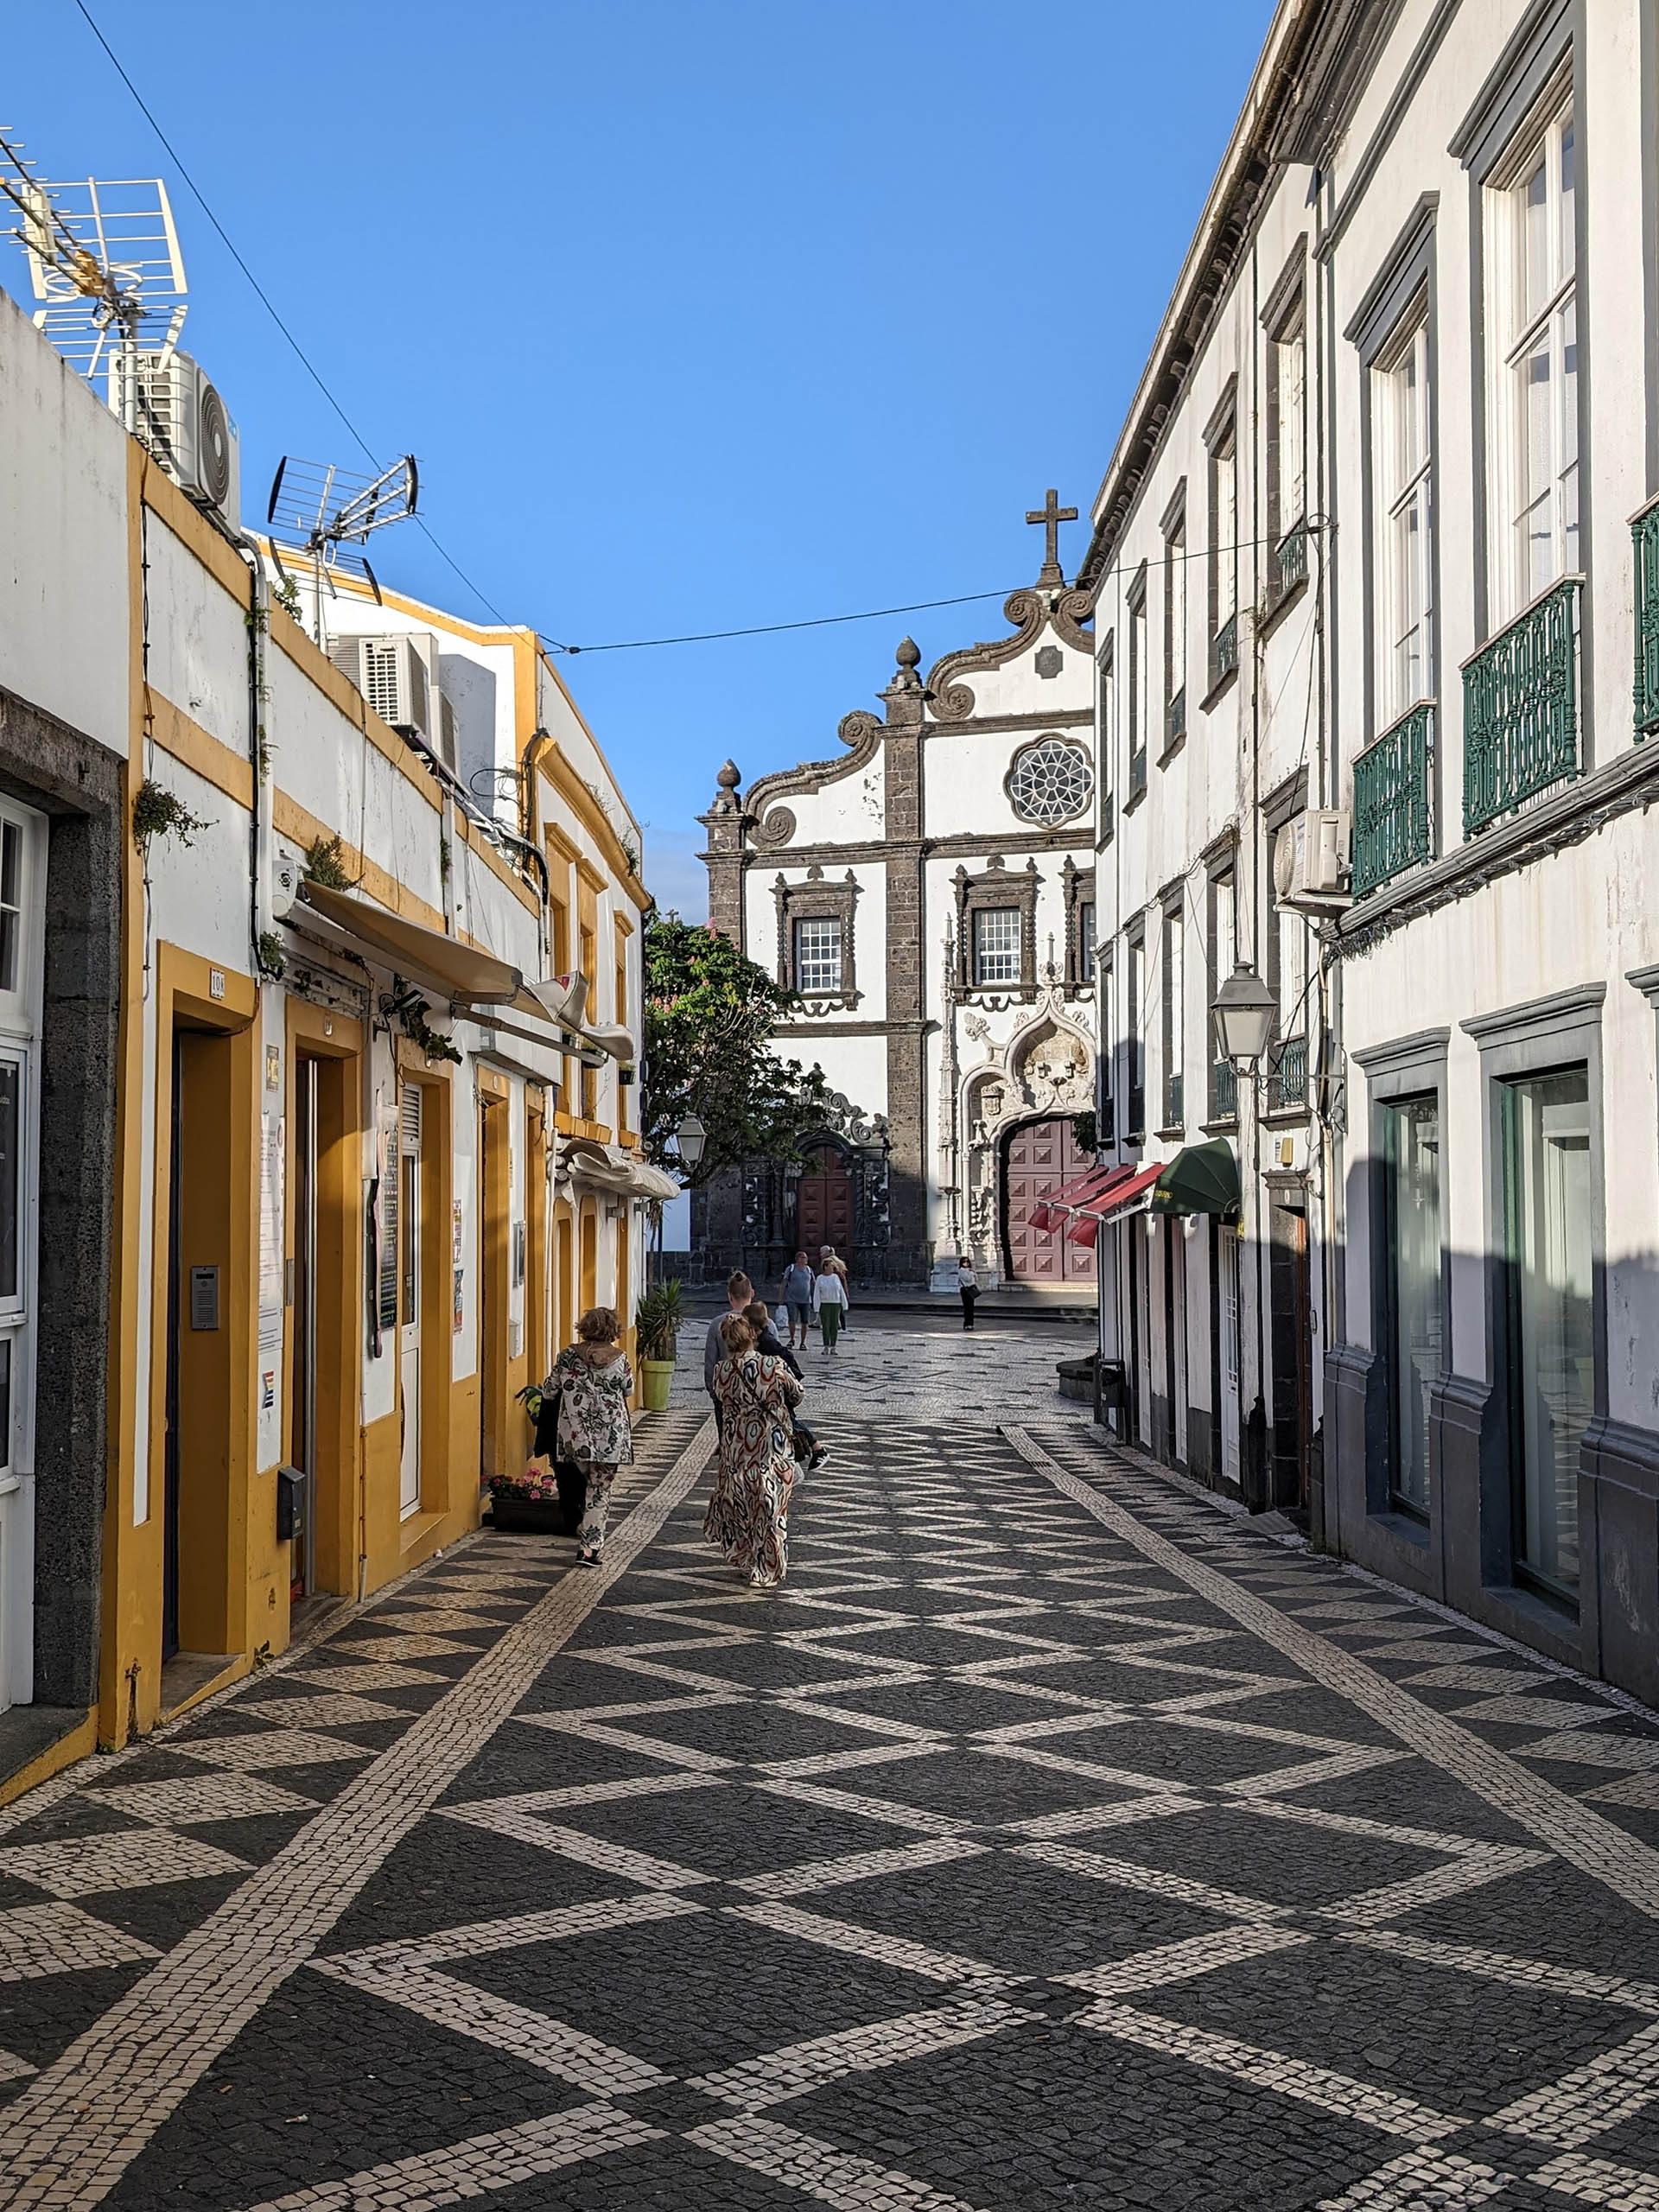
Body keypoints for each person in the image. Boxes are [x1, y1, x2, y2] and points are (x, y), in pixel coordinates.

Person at [706, 1312, 804, 1588]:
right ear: (752, 1335)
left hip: (736, 1450)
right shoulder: (773, 1366)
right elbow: (797, 1394)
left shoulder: (721, 1371)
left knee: (744, 1507)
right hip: (772, 1447)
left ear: (727, 1341)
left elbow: (720, 1397)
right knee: (771, 1509)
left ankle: (748, 1559)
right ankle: (767, 1567)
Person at [550, 1306, 634, 1567]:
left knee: (585, 1483)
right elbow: (629, 1390)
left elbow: (549, 1390)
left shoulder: (566, 1357)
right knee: (599, 1489)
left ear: (584, 1327)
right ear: (613, 1330)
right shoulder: (620, 1360)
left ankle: (582, 1528)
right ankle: (588, 1549)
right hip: (610, 1438)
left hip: (577, 1437)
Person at [745, 1299, 829, 1472]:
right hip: (775, 1387)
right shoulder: (762, 1338)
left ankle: (817, 1449)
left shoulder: (766, 1341)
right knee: (787, 1421)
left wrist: (786, 1377)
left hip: (781, 1387)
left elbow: (786, 1358)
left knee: (787, 1420)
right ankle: (813, 1451)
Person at [704, 1268, 753, 1437]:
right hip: (758, 1394)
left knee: (727, 1440)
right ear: (752, 1293)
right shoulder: (767, 1324)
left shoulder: (717, 1324)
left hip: (725, 1394)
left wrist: (714, 1393)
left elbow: (710, 1364)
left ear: (729, 1296)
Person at [812, 1257, 849, 1356]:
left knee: (834, 1325)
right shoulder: (820, 1278)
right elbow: (817, 1293)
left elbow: (840, 1291)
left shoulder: (835, 1277)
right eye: (831, 1266)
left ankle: (833, 1346)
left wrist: (844, 1304)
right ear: (825, 1267)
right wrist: (817, 1307)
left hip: (835, 1304)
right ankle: (826, 1346)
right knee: (826, 1326)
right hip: (825, 1304)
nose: (832, 1268)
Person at [779, 1251, 815, 1351]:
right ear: (797, 1259)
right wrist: (781, 1297)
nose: (805, 1259)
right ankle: (792, 1339)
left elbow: (813, 1283)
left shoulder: (809, 1270)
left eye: (806, 1258)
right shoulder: (791, 1269)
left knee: (805, 1321)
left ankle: (803, 1342)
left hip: (806, 1300)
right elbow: (784, 1282)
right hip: (792, 1299)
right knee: (792, 1319)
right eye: (803, 1257)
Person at [819, 1245, 852, 1334]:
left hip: (835, 1289)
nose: (820, 1255)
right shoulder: (837, 1260)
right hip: (840, 1288)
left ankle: (836, 1326)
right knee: (839, 1309)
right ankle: (842, 1326)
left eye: (822, 1252)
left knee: (834, 1309)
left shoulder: (829, 1262)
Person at [957, 1256, 980, 1331]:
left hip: (971, 1288)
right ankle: (966, 1324)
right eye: (964, 1262)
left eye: (967, 1262)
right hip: (965, 1290)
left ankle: (971, 1324)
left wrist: (973, 1272)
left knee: (971, 1308)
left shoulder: (970, 1270)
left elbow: (976, 1279)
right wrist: (971, 1273)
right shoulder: (961, 1270)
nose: (966, 1263)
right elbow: (968, 1279)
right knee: (967, 1307)